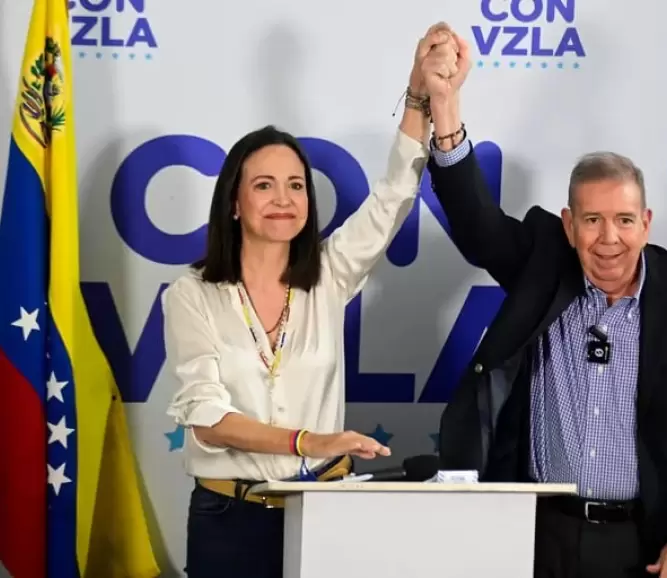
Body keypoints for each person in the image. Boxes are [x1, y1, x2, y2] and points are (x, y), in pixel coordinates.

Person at [420, 28, 667, 578]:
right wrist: (446, 107)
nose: (608, 239)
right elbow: (477, 224)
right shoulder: (543, 263)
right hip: (532, 534)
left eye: (624, 220)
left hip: (645, 544)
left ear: (645, 224)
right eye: (592, 220)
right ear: (569, 225)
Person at [161, 24, 456, 578]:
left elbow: (393, 196)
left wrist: (419, 96)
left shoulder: (329, 274)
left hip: (323, 511)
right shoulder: (191, 295)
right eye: (265, 185)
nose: (284, 199)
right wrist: (309, 441)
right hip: (229, 517)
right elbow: (207, 419)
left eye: (296, 185)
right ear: (233, 203)